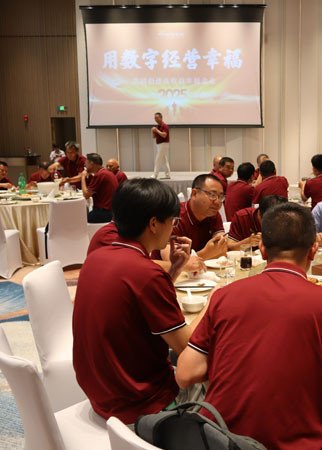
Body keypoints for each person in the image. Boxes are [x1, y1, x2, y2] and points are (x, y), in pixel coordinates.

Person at [175, 202, 322, 449]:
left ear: (262, 250)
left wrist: (211, 306)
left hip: (219, 439)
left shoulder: (224, 297)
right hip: (295, 444)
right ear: (313, 250)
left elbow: (185, 375)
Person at [73, 178, 206, 424]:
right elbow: (188, 349)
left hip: (101, 392)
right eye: (172, 221)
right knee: (212, 378)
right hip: (140, 403)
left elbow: (140, 300)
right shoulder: (146, 272)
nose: (173, 229)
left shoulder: (96, 257)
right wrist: (211, 305)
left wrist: (175, 268)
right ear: (154, 223)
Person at [164, 174, 228, 261]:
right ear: (194, 193)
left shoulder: (213, 214)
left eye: (220, 197)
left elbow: (222, 248)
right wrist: (206, 253)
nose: (217, 202)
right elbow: (172, 261)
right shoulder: (174, 217)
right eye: (212, 195)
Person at [80, 153, 119, 223]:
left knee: (80, 219)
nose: (85, 166)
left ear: (91, 163)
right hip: (113, 211)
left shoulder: (100, 175)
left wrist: (82, 177)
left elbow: (86, 195)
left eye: (86, 163)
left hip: (104, 212)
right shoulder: (107, 173)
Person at [152, 112, 170, 179]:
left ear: (161, 118)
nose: (156, 119)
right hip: (159, 144)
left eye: (157, 118)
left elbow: (164, 135)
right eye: (155, 118)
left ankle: (155, 175)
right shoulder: (157, 127)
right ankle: (167, 175)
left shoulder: (164, 126)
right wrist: (153, 131)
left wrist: (156, 130)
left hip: (163, 144)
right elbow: (153, 137)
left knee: (158, 159)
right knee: (164, 160)